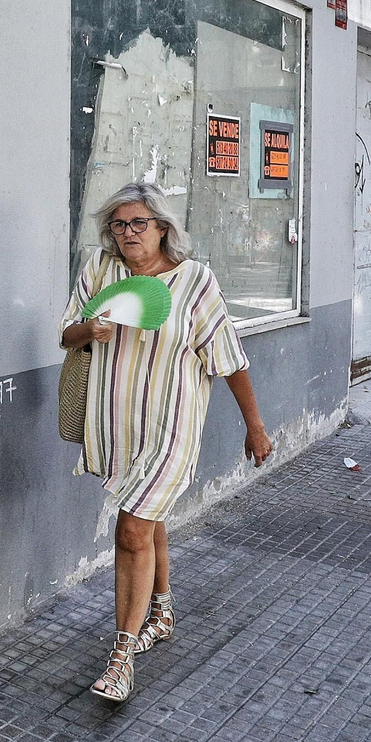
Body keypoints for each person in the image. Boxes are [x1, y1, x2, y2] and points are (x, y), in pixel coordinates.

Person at [60, 181, 272, 702]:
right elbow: (65, 334)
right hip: (116, 426)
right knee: (146, 520)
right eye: (119, 224)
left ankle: (122, 656)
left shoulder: (195, 282)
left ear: (162, 229)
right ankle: (162, 608)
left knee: (131, 530)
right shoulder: (101, 271)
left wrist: (256, 425)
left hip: (171, 428)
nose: (128, 233)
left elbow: (228, 358)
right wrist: (91, 328)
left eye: (139, 223)